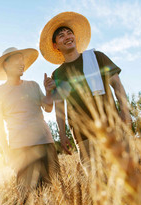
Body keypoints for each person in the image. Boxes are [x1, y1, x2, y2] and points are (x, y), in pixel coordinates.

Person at [39, 12, 132, 167]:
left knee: (128, 174)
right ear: (56, 46)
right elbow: (60, 107)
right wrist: (62, 134)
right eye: (61, 36)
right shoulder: (58, 74)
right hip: (84, 136)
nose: (67, 37)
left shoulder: (97, 57)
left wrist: (125, 111)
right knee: (98, 184)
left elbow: (117, 85)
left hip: (112, 127)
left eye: (70, 33)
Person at [0, 47, 60, 205]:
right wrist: (7, 153)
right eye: (17, 60)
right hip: (21, 150)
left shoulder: (33, 85)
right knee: (26, 201)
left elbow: (48, 107)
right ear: (5, 64)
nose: (22, 63)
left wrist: (49, 91)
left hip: (46, 143)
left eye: (23, 60)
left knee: (54, 196)